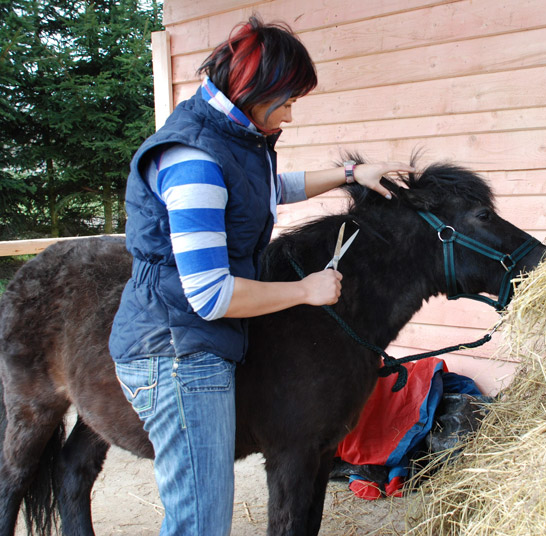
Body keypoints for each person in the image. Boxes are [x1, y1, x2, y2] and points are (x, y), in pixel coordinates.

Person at [108, 16, 413, 535]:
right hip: (177, 351)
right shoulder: (194, 160)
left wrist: (349, 174)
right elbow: (209, 294)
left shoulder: (229, 138)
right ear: (255, 90)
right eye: (288, 100)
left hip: (198, 338)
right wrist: (305, 290)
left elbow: (273, 187)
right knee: (200, 521)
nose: (290, 115)